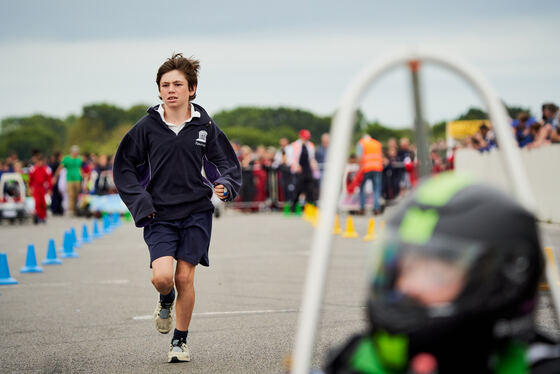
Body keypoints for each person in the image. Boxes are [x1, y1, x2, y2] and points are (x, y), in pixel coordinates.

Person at [325, 173, 560, 374]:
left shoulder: (540, 365)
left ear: (501, 284)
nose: (407, 286)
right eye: (403, 269)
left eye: (435, 274)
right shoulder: (356, 359)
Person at [113, 53, 241, 363]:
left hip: (196, 211)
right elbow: (124, 168)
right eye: (165, 85)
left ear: (191, 89)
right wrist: (140, 201)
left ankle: (179, 341)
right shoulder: (146, 127)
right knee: (163, 277)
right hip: (159, 213)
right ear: (159, 90)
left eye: (178, 84)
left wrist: (225, 183)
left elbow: (225, 161)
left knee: (185, 278)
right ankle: (165, 299)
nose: (171, 90)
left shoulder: (204, 124)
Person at [289, 129, 317, 211]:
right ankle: (293, 206)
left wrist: (313, 164)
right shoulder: (294, 145)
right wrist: (296, 165)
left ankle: (311, 206)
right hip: (298, 170)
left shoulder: (310, 145)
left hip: (307, 169)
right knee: (298, 188)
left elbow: (312, 158)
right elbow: (290, 158)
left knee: (310, 188)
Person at [356, 134, 383, 215]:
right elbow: (380, 155)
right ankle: (376, 208)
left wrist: (359, 168)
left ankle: (362, 208)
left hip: (365, 168)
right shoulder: (377, 143)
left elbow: (359, 156)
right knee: (376, 189)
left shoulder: (361, 143)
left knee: (361, 188)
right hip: (377, 168)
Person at [55, 145, 83, 216]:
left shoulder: (79, 159)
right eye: (74, 152)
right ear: (72, 152)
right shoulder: (67, 159)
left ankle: (75, 208)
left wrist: (82, 176)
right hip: (69, 179)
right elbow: (60, 167)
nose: (75, 153)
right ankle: (71, 210)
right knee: (70, 195)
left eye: (77, 152)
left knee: (76, 195)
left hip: (77, 179)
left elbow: (80, 168)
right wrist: (55, 176)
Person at [28, 154, 52, 224]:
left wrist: (50, 189)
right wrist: (30, 188)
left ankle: (43, 216)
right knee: (37, 202)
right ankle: (38, 216)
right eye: (39, 162)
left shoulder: (46, 169)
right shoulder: (33, 169)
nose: (40, 163)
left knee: (43, 202)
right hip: (36, 187)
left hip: (43, 187)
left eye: (42, 162)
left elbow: (49, 180)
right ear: (37, 162)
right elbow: (30, 180)